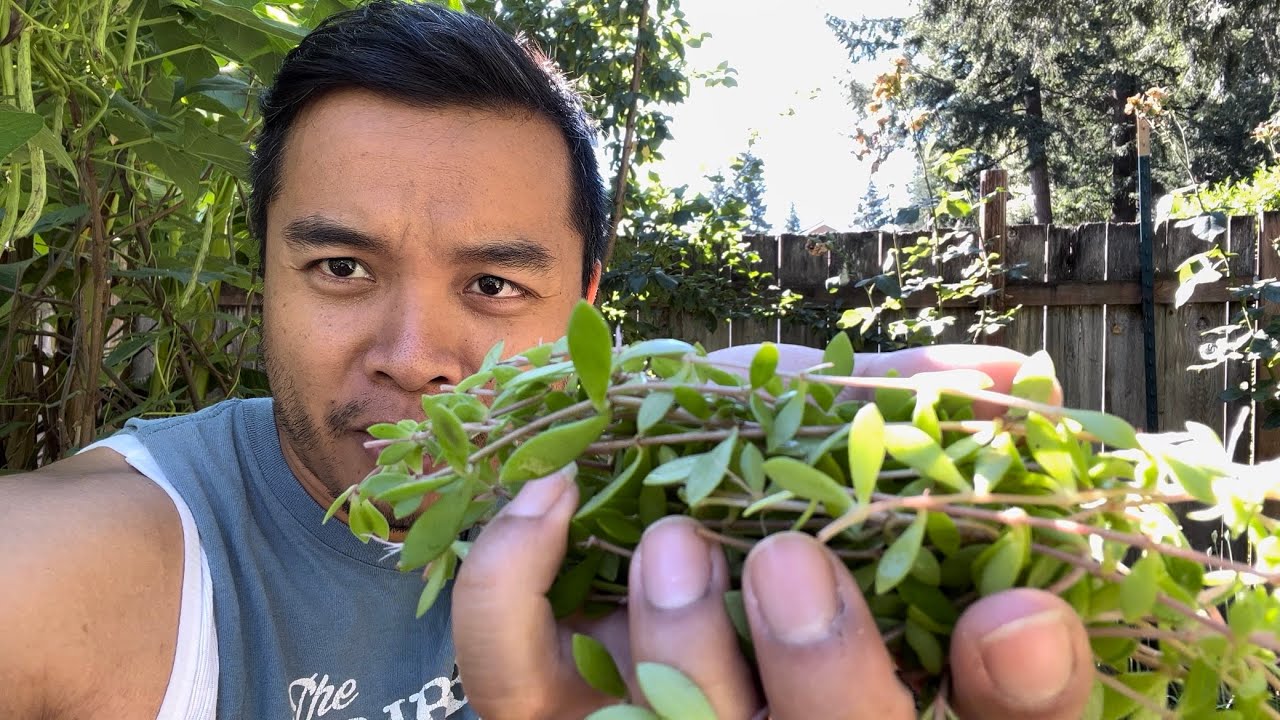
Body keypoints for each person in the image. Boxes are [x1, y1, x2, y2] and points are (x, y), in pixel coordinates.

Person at [0, 3, 1094, 719]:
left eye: (490, 286)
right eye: (340, 268)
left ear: (581, 305)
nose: (413, 358)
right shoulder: (113, 553)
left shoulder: (708, 515)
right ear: (269, 272)